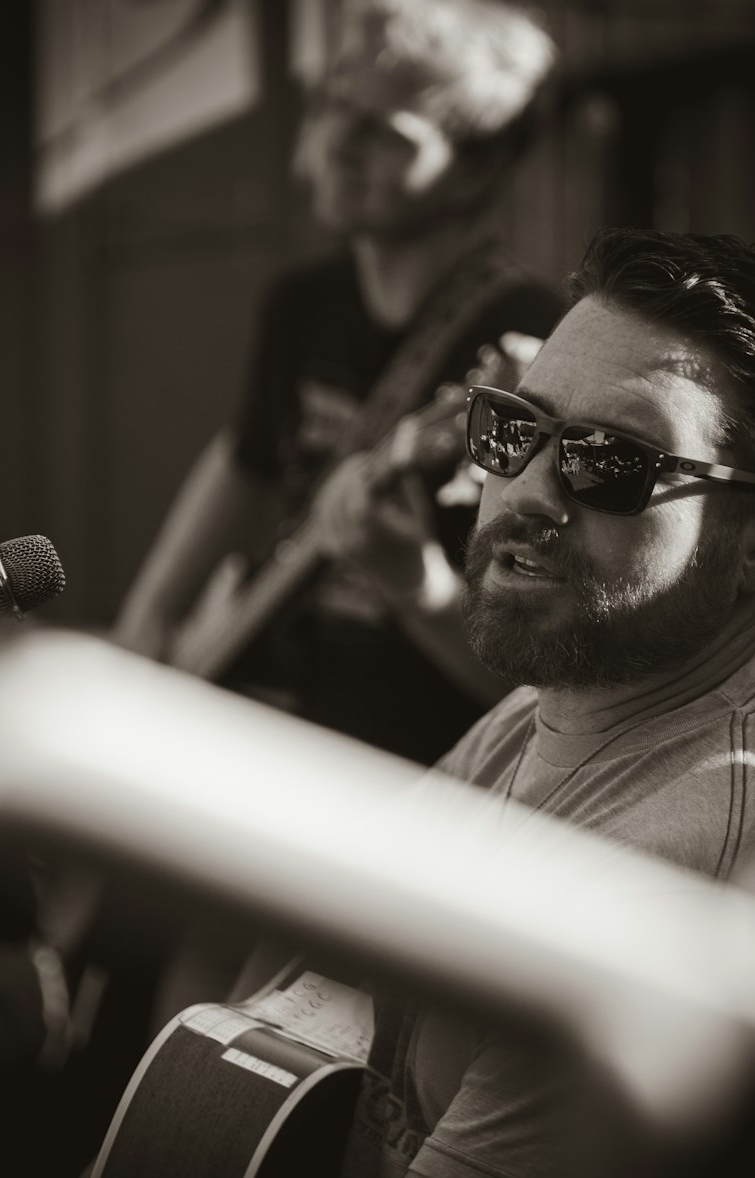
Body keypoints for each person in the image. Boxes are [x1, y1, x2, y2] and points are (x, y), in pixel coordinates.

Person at [327, 228, 755, 1178]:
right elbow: (322, 963)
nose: (525, 493)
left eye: (611, 464)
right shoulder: (564, 688)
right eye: (509, 428)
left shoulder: (671, 885)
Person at [115, 0, 562, 766]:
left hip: (428, 763)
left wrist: (419, 590)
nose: (337, 146)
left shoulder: (542, 344)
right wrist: (151, 618)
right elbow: (247, 456)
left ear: (480, 165)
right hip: (274, 700)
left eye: (386, 133)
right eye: (336, 107)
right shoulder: (302, 303)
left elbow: (545, 690)